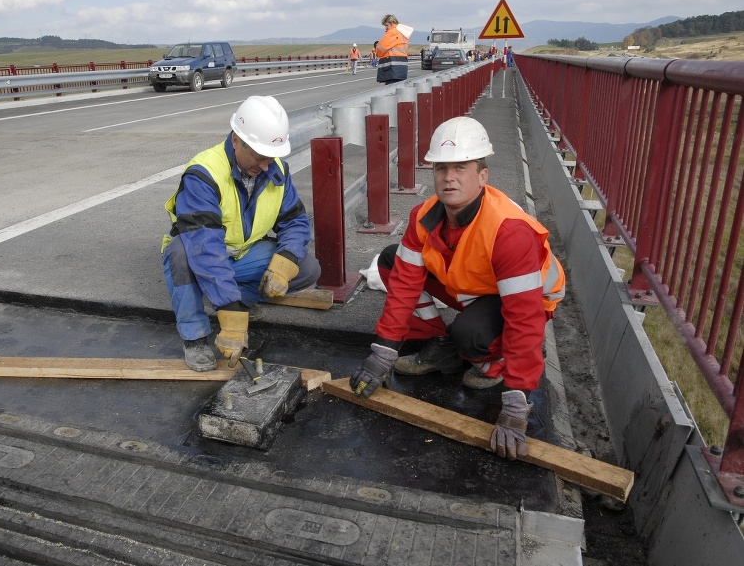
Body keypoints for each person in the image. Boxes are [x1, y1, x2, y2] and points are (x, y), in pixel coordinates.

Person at [349, 116, 566, 460]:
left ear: (482, 176)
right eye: (441, 168)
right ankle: (440, 345)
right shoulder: (424, 216)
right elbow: (405, 284)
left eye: (461, 168)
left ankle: (492, 362)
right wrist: (383, 353)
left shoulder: (508, 231)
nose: (449, 177)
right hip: (473, 288)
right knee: (392, 262)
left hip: (528, 300)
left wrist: (515, 402)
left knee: (471, 334)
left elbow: (525, 318)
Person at [162, 95, 322, 372]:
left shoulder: (276, 169)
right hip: (202, 254)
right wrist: (230, 313)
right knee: (180, 253)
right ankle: (195, 337)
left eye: (271, 158)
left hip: (244, 252)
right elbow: (204, 246)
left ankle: (241, 298)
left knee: (306, 267)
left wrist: (284, 261)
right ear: (236, 140)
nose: (266, 166)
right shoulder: (204, 173)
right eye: (259, 157)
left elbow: (295, 222)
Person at [376, 14, 410, 85]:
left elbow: (380, 49)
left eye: (387, 25)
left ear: (392, 23)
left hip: (392, 69)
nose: (386, 28)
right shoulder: (402, 33)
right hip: (401, 68)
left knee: (390, 92)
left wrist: (377, 50)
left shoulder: (393, 32)